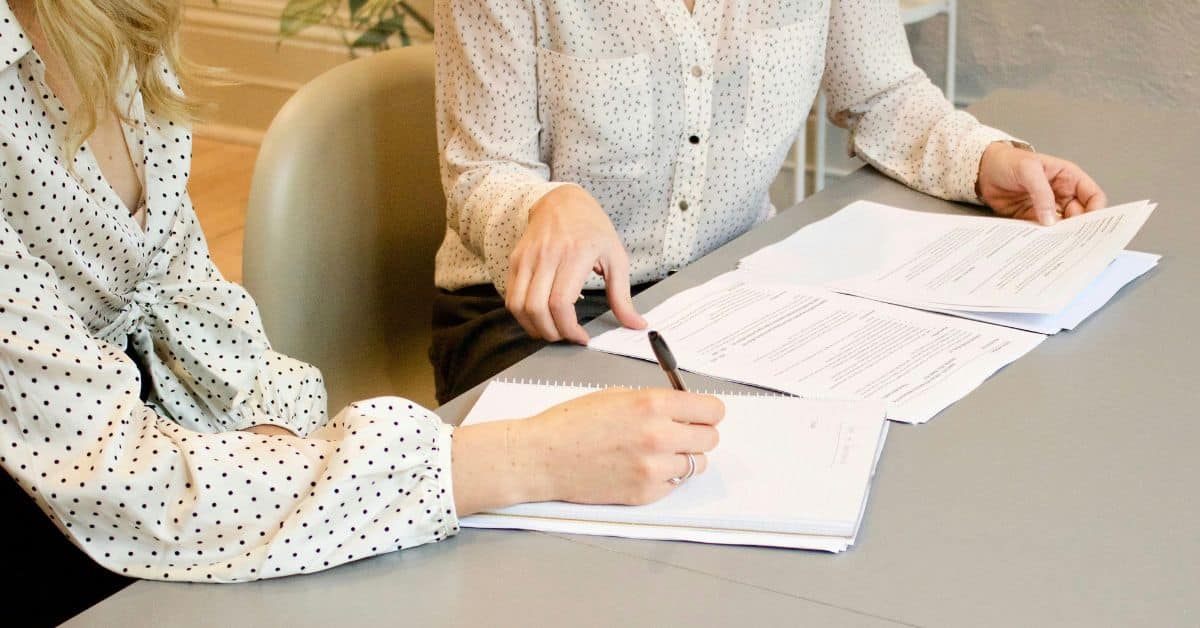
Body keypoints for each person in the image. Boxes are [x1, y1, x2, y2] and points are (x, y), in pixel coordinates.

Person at [0, 2, 724, 623]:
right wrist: (527, 458)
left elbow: (191, 305)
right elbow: (120, 479)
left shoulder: (117, 30)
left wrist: (282, 447)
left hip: (154, 476)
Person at [430, 0, 1109, 403]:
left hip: (728, 293)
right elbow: (482, 167)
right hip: (534, 313)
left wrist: (988, 160)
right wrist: (544, 206)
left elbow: (884, 96)